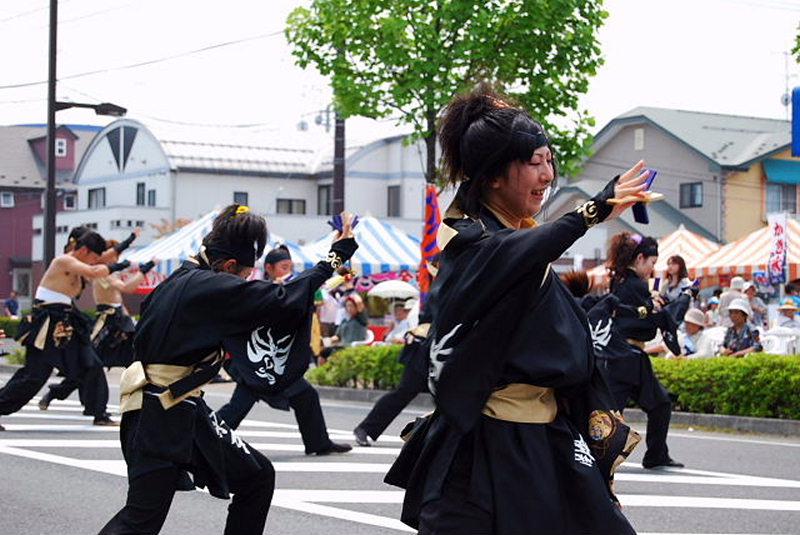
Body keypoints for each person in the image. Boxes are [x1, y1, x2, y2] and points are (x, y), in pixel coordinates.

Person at [384, 87, 641, 534]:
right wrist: (591, 210)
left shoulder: (521, 236)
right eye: (533, 163)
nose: (547, 174)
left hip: (548, 434)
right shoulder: (470, 244)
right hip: (485, 442)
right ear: (494, 178)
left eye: (548, 160)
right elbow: (510, 254)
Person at [98, 205, 358, 535]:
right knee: (141, 518)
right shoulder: (207, 286)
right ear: (231, 264)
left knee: (257, 477)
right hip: (160, 416)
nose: (246, 281)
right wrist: (334, 258)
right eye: (245, 275)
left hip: (177, 409)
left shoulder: (181, 280)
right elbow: (281, 299)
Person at [214, 245, 352, 456]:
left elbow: (316, 296)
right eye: (283, 266)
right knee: (238, 407)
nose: (287, 270)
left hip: (276, 361)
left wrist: (337, 278)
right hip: (255, 361)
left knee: (305, 396)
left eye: (290, 266)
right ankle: (204, 440)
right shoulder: (257, 288)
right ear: (268, 268)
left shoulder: (292, 286)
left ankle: (319, 443)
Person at [0, 229, 129, 430]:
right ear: (84, 250)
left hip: (67, 320)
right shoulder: (63, 261)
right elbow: (95, 270)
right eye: (93, 257)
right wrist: (119, 266)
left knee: (91, 363)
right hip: (48, 321)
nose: (96, 261)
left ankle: (99, 413)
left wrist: (129, 241)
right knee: (34, 376)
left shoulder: (81, 261)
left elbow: (104, 257)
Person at [38, 239, 158, 412]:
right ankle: (59, 394)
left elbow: (119, 299)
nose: (117, 257)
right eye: (115, 254)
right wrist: (147, 267)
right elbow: (126, 288)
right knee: (90, 364)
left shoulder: (108, 271)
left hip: (120, 322)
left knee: (136, 362)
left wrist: (128, 320)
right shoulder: (103, 272)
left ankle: (143, 404)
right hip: (107, 323)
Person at [604, 231, 684, 470]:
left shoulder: (619, 281)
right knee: (616, 412)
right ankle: (650, 455)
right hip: (626, 356)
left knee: (648, 405)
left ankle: (656, 454)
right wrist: (658, 311)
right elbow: (647, 323)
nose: (652, 268)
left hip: (621, 355)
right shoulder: (636, 285)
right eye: (651, 262)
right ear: (639, 259)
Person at [353, 309, 432, 447]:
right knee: (403, 393)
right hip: (424, 349)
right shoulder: (444, 292)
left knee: (451, 399)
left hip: (442, 351)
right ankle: (366, 428)